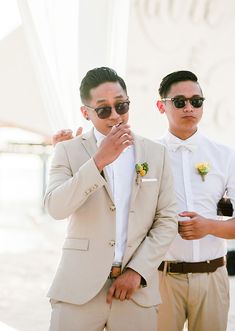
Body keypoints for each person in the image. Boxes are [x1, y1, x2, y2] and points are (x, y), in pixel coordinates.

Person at [45, 66, 178, 331]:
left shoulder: (156, 153)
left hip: (135, 293)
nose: (116, 116)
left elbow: (166, 220)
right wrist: (98, 161)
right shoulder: (67, 151)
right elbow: (56, 208)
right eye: (104, 110)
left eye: (122, 106)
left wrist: (137, 272)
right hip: (77, 291)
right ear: (86, 112)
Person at [156, 70, 235, 331]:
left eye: (196, 101)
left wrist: (209, 227)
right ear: (161, 106)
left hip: (213, 278)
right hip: (161, 278)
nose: (189, 107)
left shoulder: (225, 156)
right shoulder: (147, 156)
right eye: (179, 102)